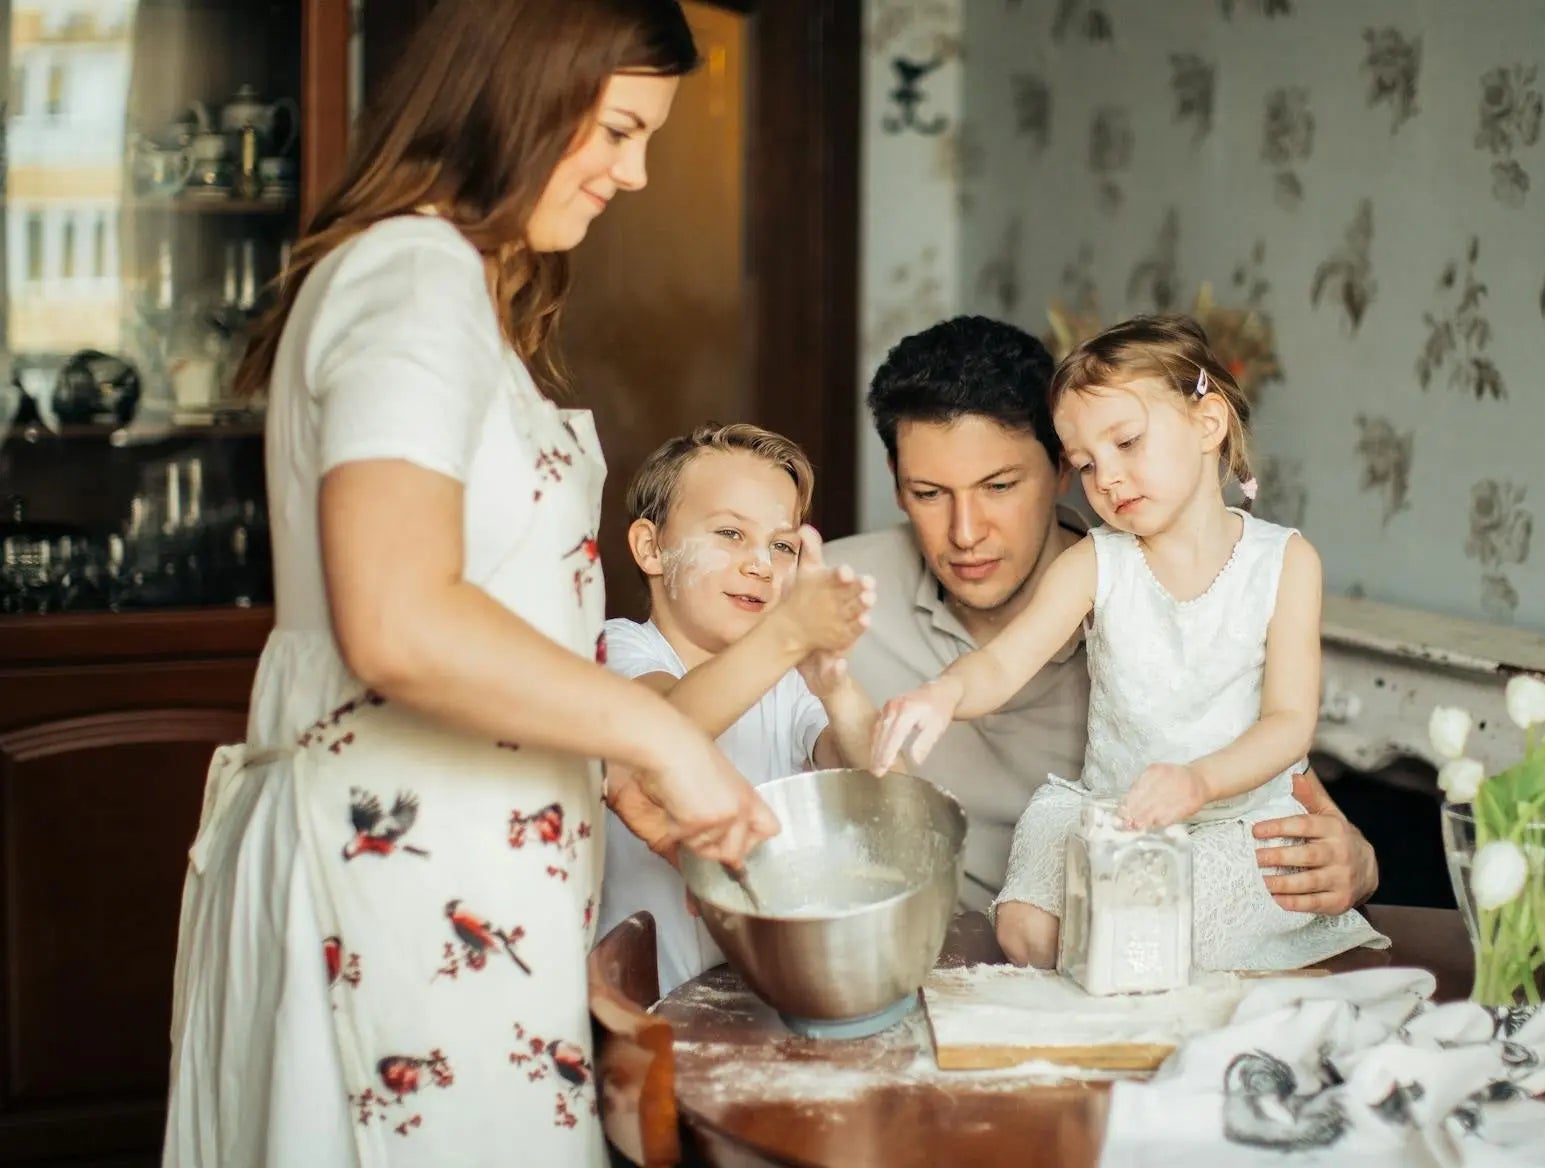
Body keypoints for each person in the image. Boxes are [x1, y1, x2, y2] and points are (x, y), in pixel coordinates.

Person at [163, 3, 774, 1165]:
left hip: (470, 880)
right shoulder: (409, 278)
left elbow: (496, 608)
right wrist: (662, 742)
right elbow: (397, 619)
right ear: (521, 93)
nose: (634, 174)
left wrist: (600, 759)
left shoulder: (462, 291)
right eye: (615, 130)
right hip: (395, 884)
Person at [869, 314, 1386, 972]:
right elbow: (1003, 663)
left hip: (1225, 819)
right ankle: (1109, 989)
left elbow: (1289, 723)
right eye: (1086, 464)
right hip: (1111, 809)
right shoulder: (1096, 563)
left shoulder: (1284, 562)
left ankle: (1139, 985)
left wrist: (1200, 782)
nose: (1107, 478)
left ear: (1208, 423)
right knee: (1025, 927)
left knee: (1174, 942)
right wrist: (942, 694)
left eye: (1127, 444)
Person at [597, 422, 878, 992]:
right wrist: (789, 633)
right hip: (650, 1017)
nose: (761, 565)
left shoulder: (787, 682)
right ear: (651, 548)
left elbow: (883, 783)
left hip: (768, 999)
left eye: (781, 545)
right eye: (730, 533)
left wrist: (836, 686)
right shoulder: (619, 648)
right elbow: (661, 729)